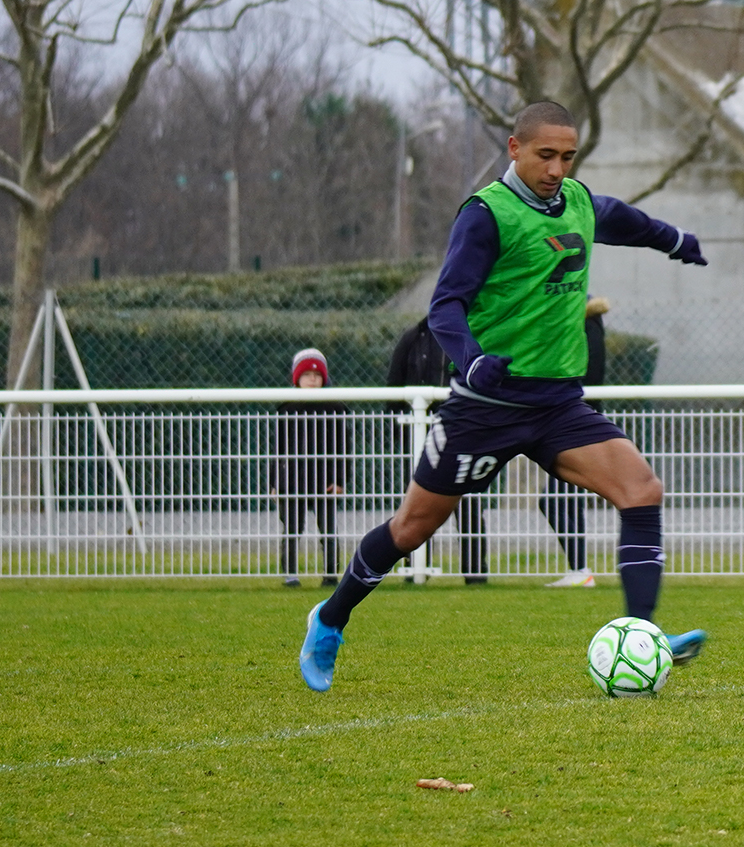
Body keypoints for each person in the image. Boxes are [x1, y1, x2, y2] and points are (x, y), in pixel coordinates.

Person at [298, 100, 708, 692]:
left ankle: (642, 635)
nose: (557, 168)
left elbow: (621, 220)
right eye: (546, 155)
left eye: (567, 157)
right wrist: (475, 359)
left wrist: (674, 240)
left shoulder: (577, 203)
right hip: (484, 410)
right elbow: (444, 307)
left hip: (559, 406)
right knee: (412, 528)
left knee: (641, 489)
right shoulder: (486, 215)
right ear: (515, 148)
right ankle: (330, 620)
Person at [385, 317, 489, 585]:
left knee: (469, 503)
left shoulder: (475, 334)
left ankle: (475, 572)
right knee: (419, 506)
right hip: (420, 436)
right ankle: (416, 568)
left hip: (463, 432)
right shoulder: (413, 338)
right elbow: (394, 388)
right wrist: (400, 435)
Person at [541, 295, 609, 588]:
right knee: (562, 498)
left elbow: (587, 376)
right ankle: (580, 569)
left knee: (554, 499)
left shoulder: (582, 327)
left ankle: (581, 570)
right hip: (576, 420)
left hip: (575, 423)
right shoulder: (584, 325)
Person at [271, 349, 350, 589]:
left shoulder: (336, 409)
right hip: (292, 481)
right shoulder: (286, 409)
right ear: (296, 378)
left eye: (317, 375)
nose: (312, 379)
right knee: (292, 529)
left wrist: (340, 481)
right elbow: (277, 450)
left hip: (324, 481)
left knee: (328, 530)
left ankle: (330, 574)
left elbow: (344, 450)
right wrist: (275, 482)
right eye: (306, 375)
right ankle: (290, 574)